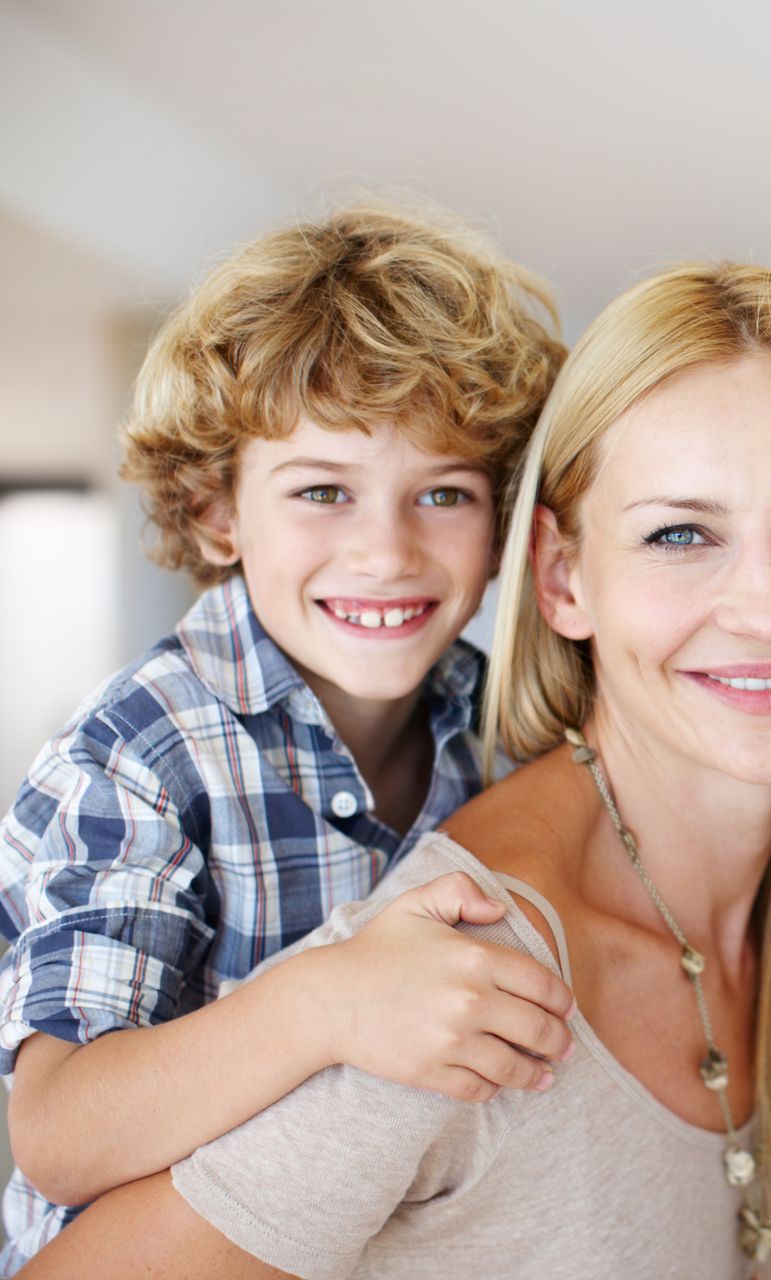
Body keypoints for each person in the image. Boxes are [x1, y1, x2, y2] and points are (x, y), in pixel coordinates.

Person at [20, 262, 771, 1280]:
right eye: (680, 533)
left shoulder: (470, 725)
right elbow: (59, 1134)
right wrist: (322, 1001)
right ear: (560, 574)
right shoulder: (438, 976)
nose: (767, 609)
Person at [0, 206, 571, 1271]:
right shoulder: (139, 752)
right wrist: (329, 998)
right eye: (321, 491)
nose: (386, 550)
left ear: (502, 526)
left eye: (444, 492)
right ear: (217, 511)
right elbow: (61, 1131)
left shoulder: (511, 727)